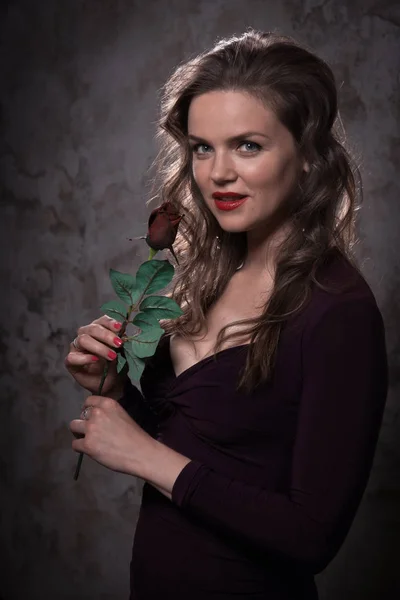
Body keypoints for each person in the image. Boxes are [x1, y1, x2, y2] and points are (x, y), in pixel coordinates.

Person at [66, 30, 388, 600]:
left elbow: (311, 536)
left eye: (248, 146)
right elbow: (202, 447)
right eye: (201, 147)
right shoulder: (203, 278)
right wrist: (115, 390)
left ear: (308, 153)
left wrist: (146, 457)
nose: (217, 174)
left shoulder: (339, 313)